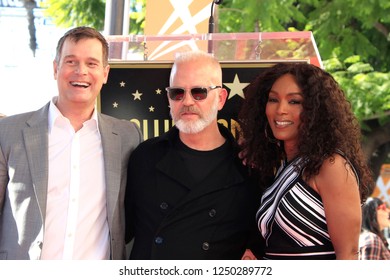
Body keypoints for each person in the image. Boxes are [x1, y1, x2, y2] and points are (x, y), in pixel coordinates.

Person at [0, 26, 142, 260]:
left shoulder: (128, 137)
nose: (81, 71)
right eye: (71, 61)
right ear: (56, 69)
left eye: (92, 63)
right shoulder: (8, 132)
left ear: (105, 73)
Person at [124, 50, 263, 259]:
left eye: (199, 92)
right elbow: (119, 229)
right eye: (177, 93)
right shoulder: (144, 157)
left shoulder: (248, 167)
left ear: (221, 98)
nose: (187, 101)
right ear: (169, 99)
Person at [238, 62, 373, 260]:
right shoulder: (285, 166)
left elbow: (349, 255)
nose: (281, 109)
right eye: (273, 99)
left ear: (316, 110)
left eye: (294, 101)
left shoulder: (331, 166)